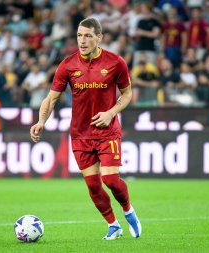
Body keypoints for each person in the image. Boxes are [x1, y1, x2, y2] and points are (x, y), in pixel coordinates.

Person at [30, 17, 141, 240]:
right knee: (93, 185)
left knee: (109, 180)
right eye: (80, 35)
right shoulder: (68, 64)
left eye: (88, 36)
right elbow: (51, 99)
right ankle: (113, 225)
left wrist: (110, 113)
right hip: (80, 135)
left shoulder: (115, 62)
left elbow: (127, 94)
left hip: (107, 131)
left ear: (99, 38)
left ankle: (128, 210)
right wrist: (41, 121)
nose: (82, 40)